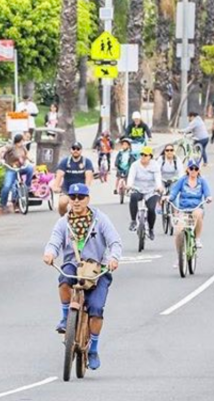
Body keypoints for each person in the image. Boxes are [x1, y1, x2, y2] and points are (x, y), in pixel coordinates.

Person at [43, 183, 121, 371]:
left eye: (81, 197)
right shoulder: (63, 222)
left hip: (97, 269)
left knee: (96, 309)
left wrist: (113, 258)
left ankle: (93, 348)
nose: (76, 201)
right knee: (63, 281)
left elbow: (115, 241)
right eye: (73, 197)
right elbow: (54, 242)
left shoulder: (100, 219)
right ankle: (65, 318)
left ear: (88, 199)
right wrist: (49, 253)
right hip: (73, 265)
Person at [169, 159, 212, 249]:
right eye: (191, 168)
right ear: (187, 169)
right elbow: (174, 192)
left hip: (196, 207)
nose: (193, 171)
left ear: (198, 170)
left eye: (196, 169)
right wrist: (168, 198)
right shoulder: (182, 180)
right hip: (183, 209)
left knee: (198, 214)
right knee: (178, 232)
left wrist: (208, 197)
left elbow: (207, 193)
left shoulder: (202, 181)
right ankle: (180, 256)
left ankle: (197, 239)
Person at [126, 146, 164, 240]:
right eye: (141, 154)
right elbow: (131, 176)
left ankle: (151, 229)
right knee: (133, 197)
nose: (143, 157)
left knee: (151, 209)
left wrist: (159, 186)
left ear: (150, 156)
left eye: (145, 155)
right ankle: (133, 221)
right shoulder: (135, 165)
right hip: (138, 188)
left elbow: (157, 177)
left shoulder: (155, 165)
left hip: (151, 190)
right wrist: (129, 185)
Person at [52, 142, 95, 216]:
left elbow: (89, 175)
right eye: (73, 148)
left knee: (81, 207)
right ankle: (64, 219)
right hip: (67, 189)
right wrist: (56, 186)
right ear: (70, 150)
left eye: (78, 149)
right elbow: (59, 174)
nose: (75, 150)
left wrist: (87, 187)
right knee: (62, 203)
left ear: (81, 150)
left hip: (81, 190)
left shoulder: (86, 162)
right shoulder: (65, 161)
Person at [0, 133, 34, 213]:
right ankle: (2, 204)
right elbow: (0, 150)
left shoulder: (23, 148)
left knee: (30, 169)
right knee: (7, 186)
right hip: (11, 169)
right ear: (19, 141)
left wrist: (31, 159)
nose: (23, 142)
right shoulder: (11, 147)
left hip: (21, 168)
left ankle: (27, 186)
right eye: (22, 141)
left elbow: (27, 155)